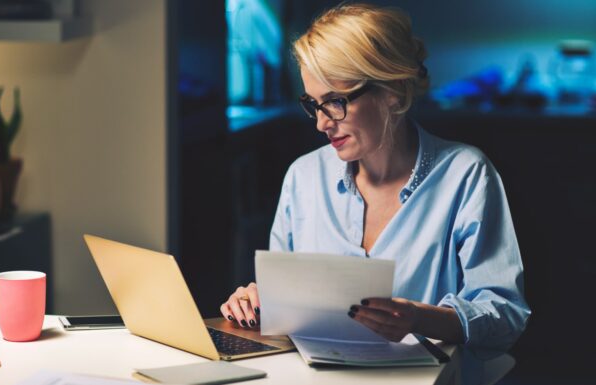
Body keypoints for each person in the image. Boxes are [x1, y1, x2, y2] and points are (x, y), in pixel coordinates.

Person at [220, 3, 530, 383]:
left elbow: (505, 316)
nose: (321, 123)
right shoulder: (303, 176)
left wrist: (422, 318)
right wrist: (259, 301)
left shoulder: (465, 175)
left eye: (334, 102)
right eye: (312, 104)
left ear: (394, 93)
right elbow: (287, 309)